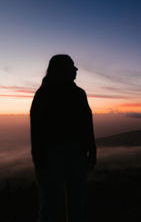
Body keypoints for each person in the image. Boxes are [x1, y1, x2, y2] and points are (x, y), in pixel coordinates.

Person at [30, 54, 96, 222]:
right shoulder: (74, 94)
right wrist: (91, 152)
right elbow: (87, 125)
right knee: (65, 205)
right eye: (72, 66)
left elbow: (36, 129)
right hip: (60, 155)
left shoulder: (44, 93)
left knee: (54, 206)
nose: (76, 69)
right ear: (62, 69)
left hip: (59, 155)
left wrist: (38, 159)